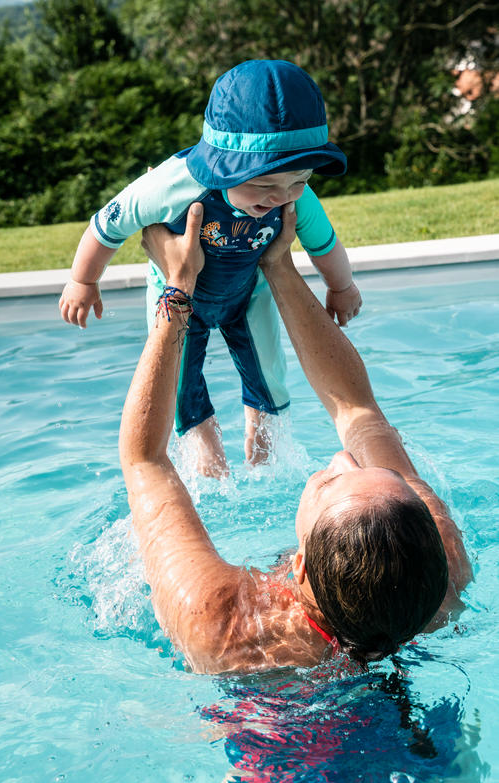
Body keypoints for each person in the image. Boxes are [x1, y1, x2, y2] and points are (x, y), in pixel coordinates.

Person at [118, 200, 472, 675]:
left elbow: (145, 460)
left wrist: (178, 286)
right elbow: (357, 408)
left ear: (301, 568)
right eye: (379, 472)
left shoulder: (226, 629)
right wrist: (278, 263)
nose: (344, 457)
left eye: (330, 484)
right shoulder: (439, 582)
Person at [59, 60, 362, 474]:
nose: (281, 197)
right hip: (180, 297)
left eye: (298, 180)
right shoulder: (173, 185)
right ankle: (209, 471)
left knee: (270, 380)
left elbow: (324, 244)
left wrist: (341, 286)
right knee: (182, 390)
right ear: (221, 166)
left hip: (247, 294)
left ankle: (264, 467)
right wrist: (83, 279)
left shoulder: (294, 195)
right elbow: (108, 223)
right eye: (263, 184)